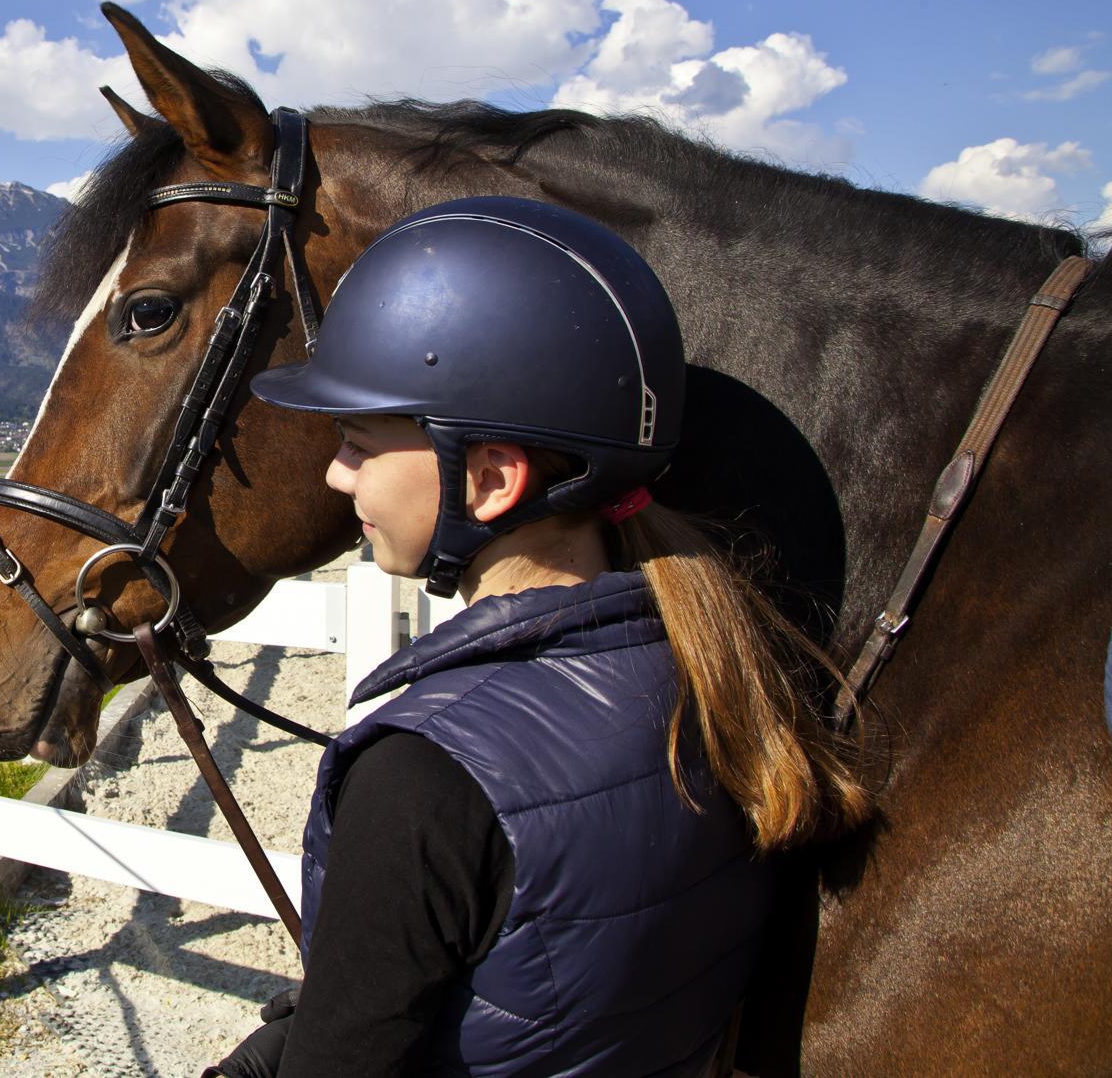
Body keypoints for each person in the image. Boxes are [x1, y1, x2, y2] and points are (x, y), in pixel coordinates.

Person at [209, 196, 869, 1077]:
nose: (337, 473)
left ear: (488, 480)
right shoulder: (720, 664)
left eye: (359, 442)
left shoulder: (422, 781)